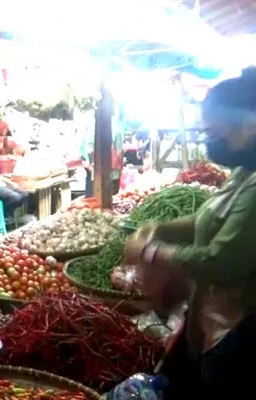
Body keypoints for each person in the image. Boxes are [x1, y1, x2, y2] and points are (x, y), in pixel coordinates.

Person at [123, 69, 256, 399]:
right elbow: (206, 216)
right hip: (211, 322)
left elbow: (221, 261)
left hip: (239, 334)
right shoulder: (245, 170)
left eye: (215, 132)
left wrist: (151, 252)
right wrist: (159, 228)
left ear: (250, 125)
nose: (209, 140)